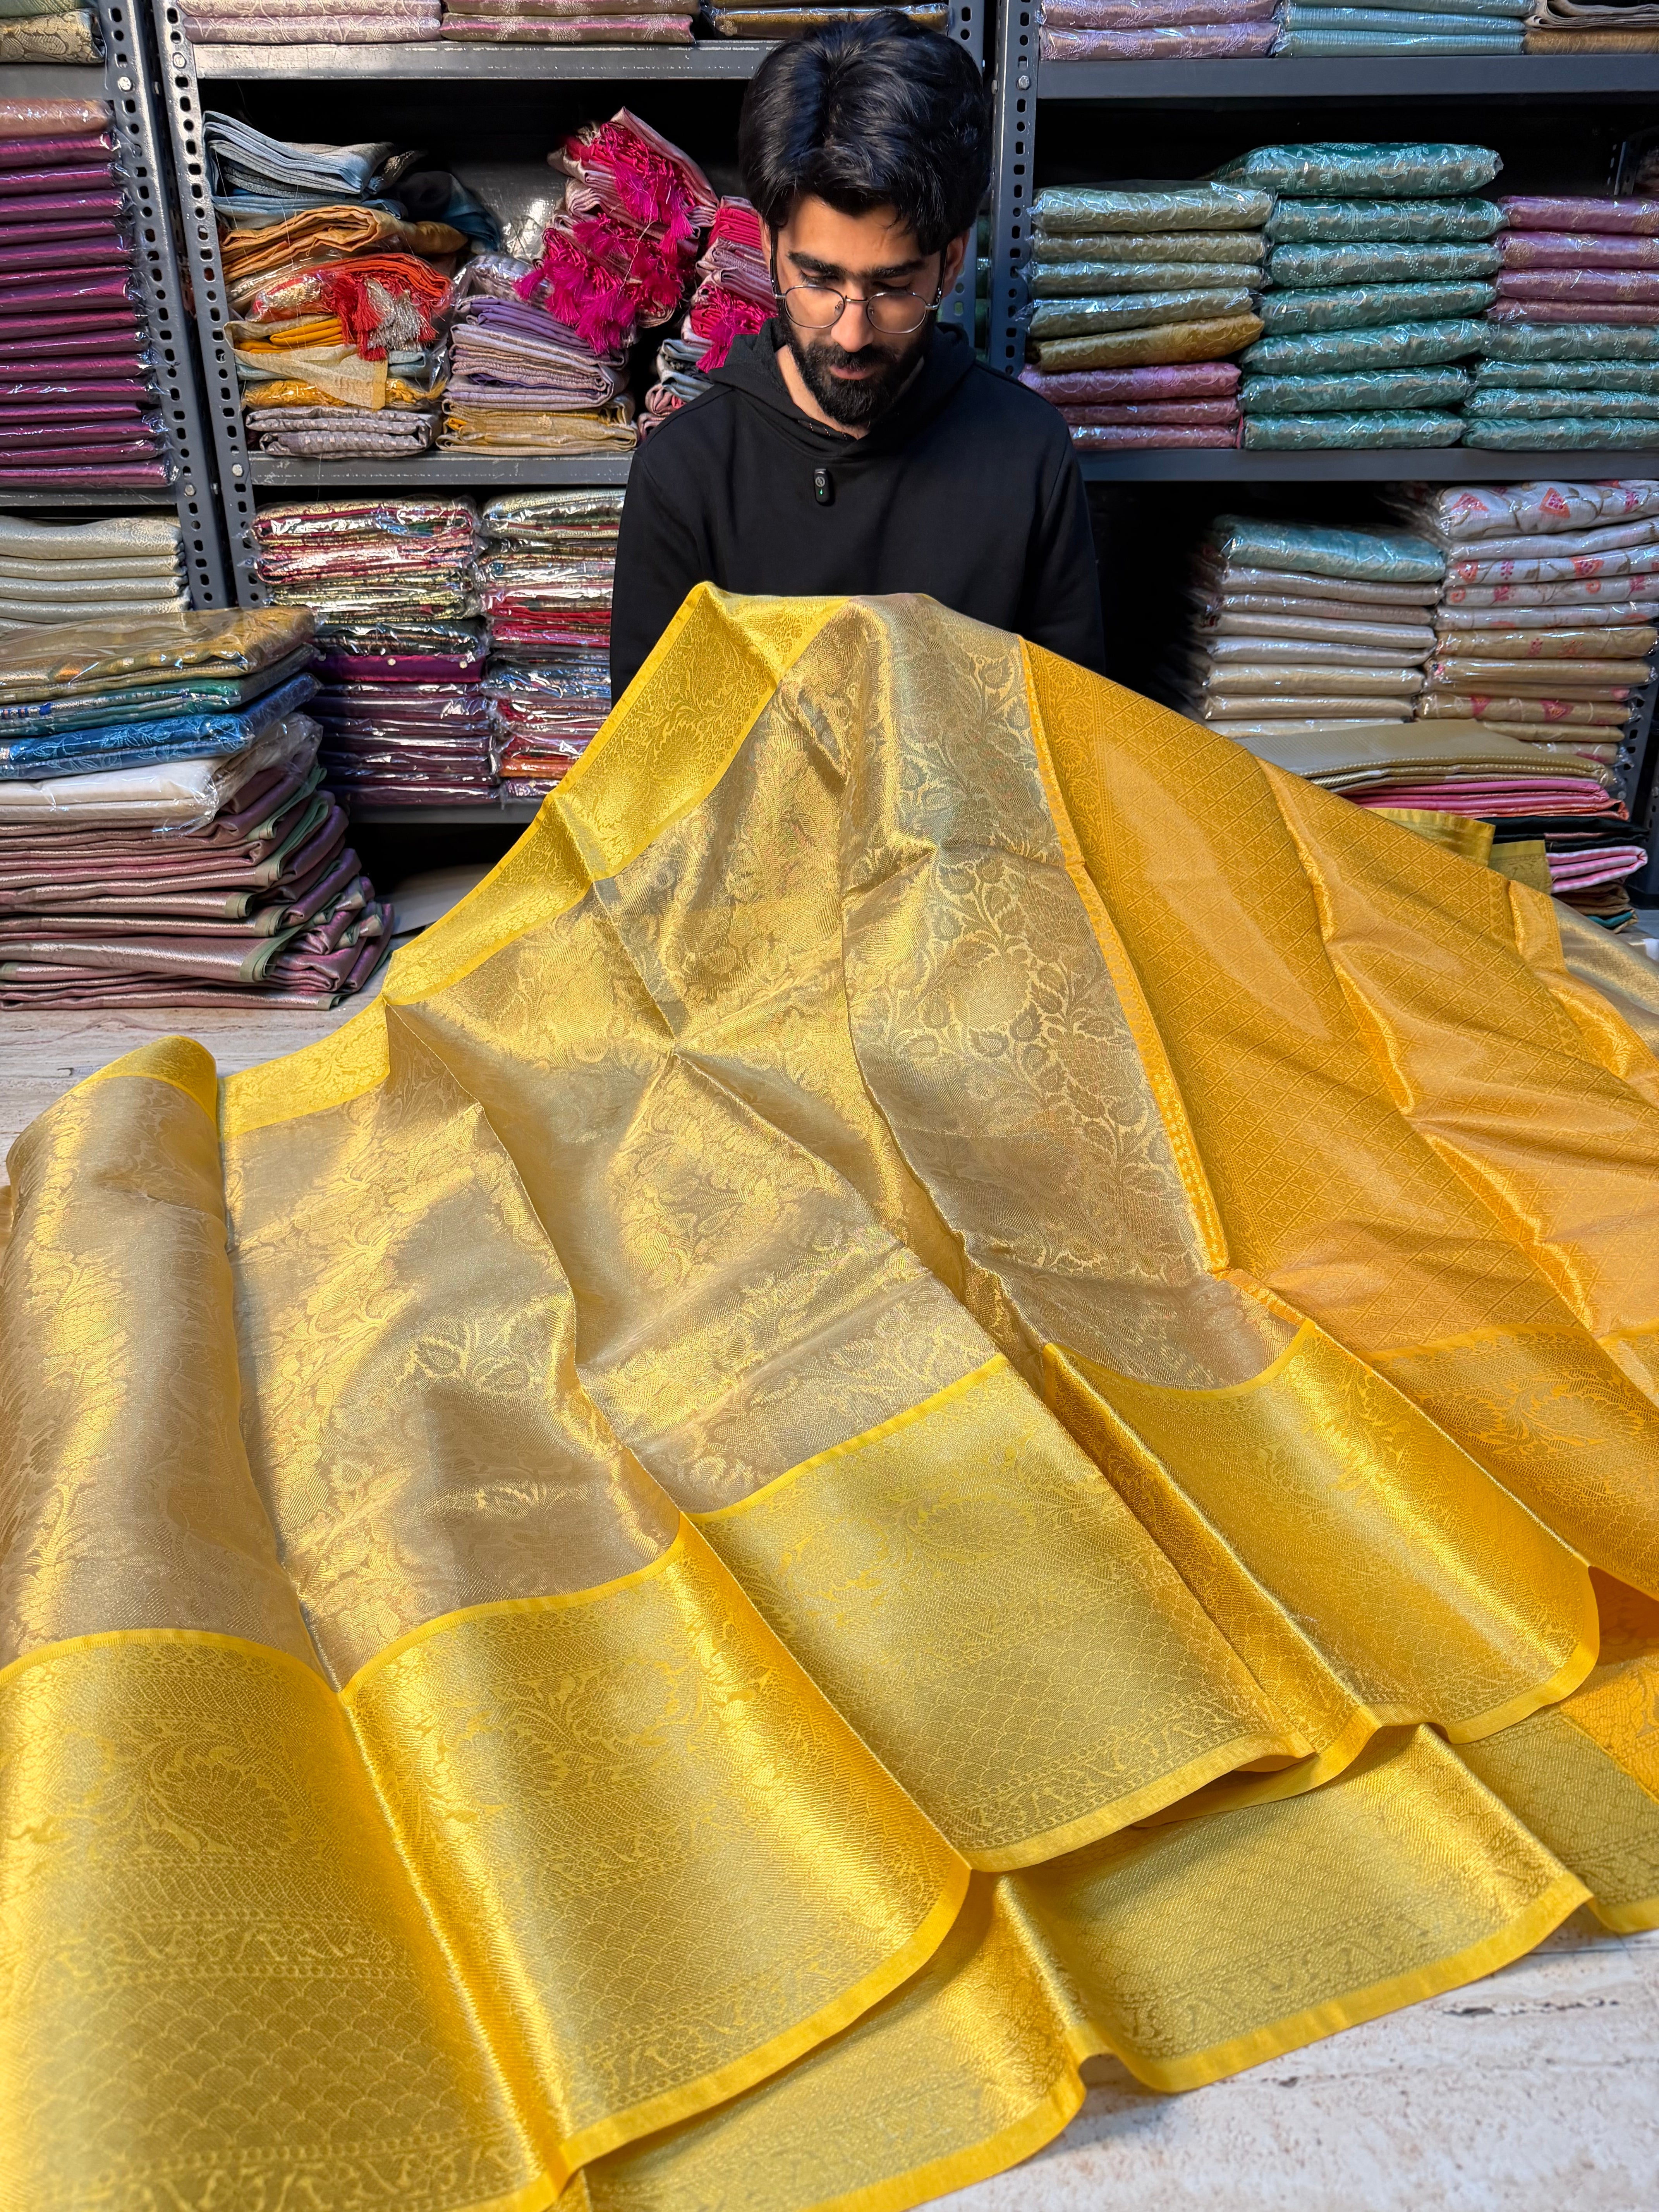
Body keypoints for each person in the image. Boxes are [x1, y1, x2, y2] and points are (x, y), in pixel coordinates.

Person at [608, 12, 1106, 698]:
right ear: (766, 246)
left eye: (893, 289)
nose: (851, 334)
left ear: (951, 265)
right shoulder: (686, 473)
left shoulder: (1028, 455)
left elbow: (1069, 743)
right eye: (817, 282)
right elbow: (654, 774)